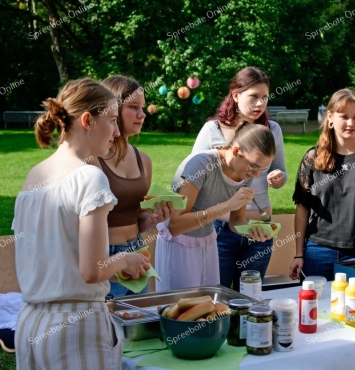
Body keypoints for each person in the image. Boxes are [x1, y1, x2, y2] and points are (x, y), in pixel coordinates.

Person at [13, 78, 150, 369]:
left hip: (30, 323)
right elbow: (92, 271)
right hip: (76, 328)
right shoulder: (89, 177)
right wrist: (126, 259)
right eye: (111, 121)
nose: (117, 132)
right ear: (87, 121)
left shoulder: (34, 175)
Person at [190, 67, 287, 288]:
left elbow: (281, 170)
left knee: (251, 295)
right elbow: (193, 178)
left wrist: (279, 177)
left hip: (261, 228)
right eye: (253, 96)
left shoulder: (272, 129)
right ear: (235, 95)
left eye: (265, 97)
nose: (260, 103)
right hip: (221, 229)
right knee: (218, 294)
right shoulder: (212, 130)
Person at [156, 122, 275, 290]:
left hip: (207, 241)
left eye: (262, 169)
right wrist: (227, 206)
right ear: (236, 151)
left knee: (209, 301)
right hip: (179, 244)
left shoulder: (244, 173)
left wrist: (252, 231)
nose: (256, 174)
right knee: (182, 304)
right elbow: (176, 225)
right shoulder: (202, 164)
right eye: (254, 166)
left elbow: (236, 221)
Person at [289, 89, 355, 281]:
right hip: (317, 251)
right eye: (344, 116)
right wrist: (298, 254)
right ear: (330, 117)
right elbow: (302, 207)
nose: (351, 123)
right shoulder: (312, 157)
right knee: (316, 301)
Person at [89, 75, 172, 299]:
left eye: (142, 108)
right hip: (106, 258)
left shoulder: (143, 159)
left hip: (138, 253)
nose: (142, 114)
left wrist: (155, 218)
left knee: (139, 320)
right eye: (133, 107)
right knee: (107, 321)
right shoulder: (92, 159)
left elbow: (138, 218)